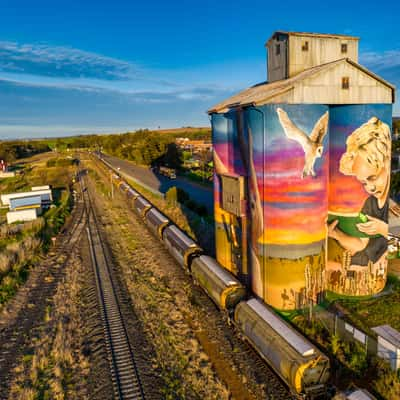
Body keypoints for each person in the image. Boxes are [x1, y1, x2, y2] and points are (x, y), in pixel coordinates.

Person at [328, 117, 391, 266]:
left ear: (387, 163)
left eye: (373, 177)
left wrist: (382, 228)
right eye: (364, 182)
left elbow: (395, 246)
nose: (370, 187)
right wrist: (336, 234)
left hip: (375, 267)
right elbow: (360, 244)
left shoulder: (391, 203)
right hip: (364, 264)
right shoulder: (370, 204)